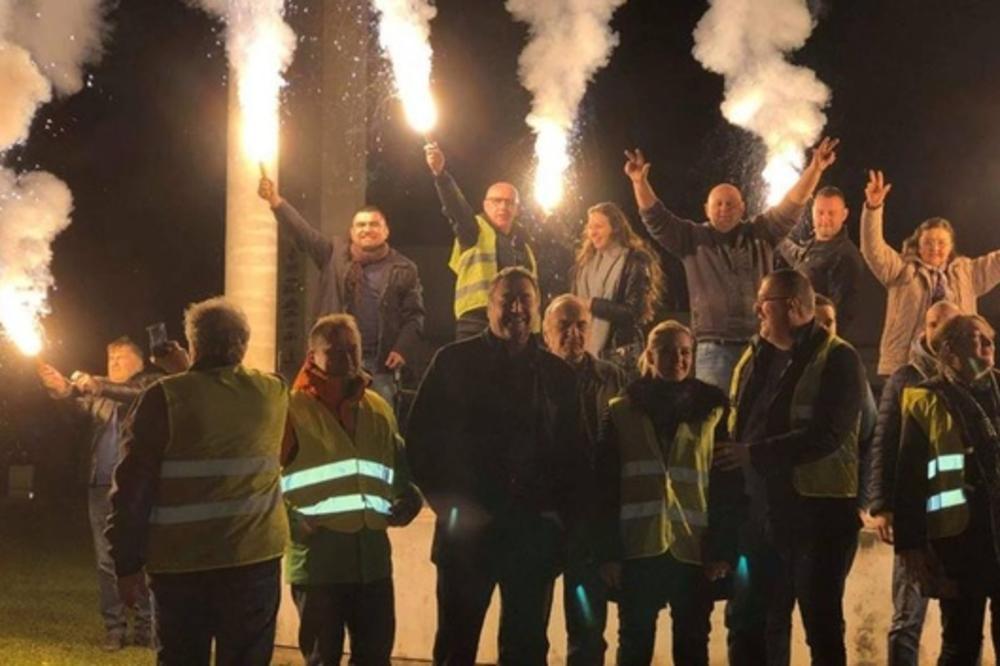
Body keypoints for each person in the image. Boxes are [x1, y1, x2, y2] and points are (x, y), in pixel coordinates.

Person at [406, 267, 585, 665]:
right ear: (489, 307)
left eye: (526, 300)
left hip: (532, 537)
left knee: (525, 649)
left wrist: (558, 521)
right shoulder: (452, 363)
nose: (517, 308)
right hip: (467, 536)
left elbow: (574, 455)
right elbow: (421, 443)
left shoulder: (559, 377)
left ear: (537, 308)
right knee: (456, 646)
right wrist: (452, 507)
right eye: (508, 300)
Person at [107, 297, 290, 666]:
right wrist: (189, 368)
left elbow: (132, 489)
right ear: (244, 343)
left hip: (181, 567)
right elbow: (226, 388)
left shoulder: (162, 398)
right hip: (252, 561)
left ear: (194, 343)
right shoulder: (273, 392)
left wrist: (125, 563)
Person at [720, 269, 865, 666]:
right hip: (759, 513)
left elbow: (828, 434)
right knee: (751, 621)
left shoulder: (839, 358)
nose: (757, 311)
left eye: (765, 303)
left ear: (795, 306)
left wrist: (755, 454)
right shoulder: (753, 357)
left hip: (817, 518)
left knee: (820, 628)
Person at [624, 137, 840, 391]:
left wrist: (815, 169)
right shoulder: (691, 238)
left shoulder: (762, 232)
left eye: (730, 204)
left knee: (757, 418)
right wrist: (639, 182)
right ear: (707, 209)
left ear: (742, 208)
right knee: (715, 418)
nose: (724, 209)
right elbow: (656, 219)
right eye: (718, 204)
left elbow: (792, 205)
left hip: (760, 344)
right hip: (714, 350)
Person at [595, 320, 743, 666]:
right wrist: (608, 553)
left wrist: (722, 548)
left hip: (694, 550)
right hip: (638, 550)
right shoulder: (620, 410)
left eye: (685, 352)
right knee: (634, 644)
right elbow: (604, 488)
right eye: (666, 351)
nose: (677, 359)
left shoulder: (713, 410)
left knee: (692, 645)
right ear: (649, 355)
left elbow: (726, 487)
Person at [281, 314, 422, 666]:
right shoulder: (290, 410)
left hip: (372, 563)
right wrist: (292, 525)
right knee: (322, 660)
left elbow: (398, 470)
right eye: (335, 350)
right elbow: (263, 481)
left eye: (353, 348)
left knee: (375, 659)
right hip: (318, 566)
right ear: (312, 356)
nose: (347, 357)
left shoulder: (378, 408)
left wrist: (410, 498)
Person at [258, 176, 425, 405]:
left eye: (374, 224)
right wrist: (276, 201)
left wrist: (401, 349)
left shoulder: (404, 268)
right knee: (329, 425)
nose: (367, 229)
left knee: (377, 427)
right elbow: (303, 234)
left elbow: (414, 316)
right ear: (352, 231)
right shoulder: (333, 254)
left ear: (386, 231)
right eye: (361, 225)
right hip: (333, 361)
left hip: (380, 366)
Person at [36, 337, 157, 651]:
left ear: (140, 361)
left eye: (121, 356)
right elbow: (74, 417)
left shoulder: (152, 385)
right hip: (101, 486)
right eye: (110, 357)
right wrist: (61, 393)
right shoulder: (97, 396)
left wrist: (98, 385)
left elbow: (138, 395)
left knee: (145, 555)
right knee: (106, 560)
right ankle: (114, 628)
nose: (113, 363)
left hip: (140, 487)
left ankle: (147, 626)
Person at [894, 314, 1000, 665]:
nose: (986, 348)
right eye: (976, 340)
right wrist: (911, 547)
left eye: (989, 341)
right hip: (958, 544)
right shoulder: (926, 400)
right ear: (949, 351)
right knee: (960, 643)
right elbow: (908, 480)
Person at [865, 300, 961, 665]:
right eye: (935, 324)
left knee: (960, 621)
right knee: (907, 618)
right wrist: (881, 505)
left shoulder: (973, 378)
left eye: (949, 326)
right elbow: (884, 441)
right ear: (925, 327)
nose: (941, 333)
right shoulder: (905, 377)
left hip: (957, 520)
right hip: (913, 516)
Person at [542, 294, 626, 666]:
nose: (573, 334)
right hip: (542, 518)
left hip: (590, 521)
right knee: (527, 629)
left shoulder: (612, 378)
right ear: (546, 332)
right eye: (564, 326)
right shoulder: (533, 373)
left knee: (588, 633)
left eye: (581, 326)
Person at [860, 170, 1000, 376]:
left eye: (941, 242)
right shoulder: (900, 269)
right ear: (918, 246)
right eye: (928, 242)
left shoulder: (968, 272)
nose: (935, 248)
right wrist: (873, 208)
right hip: (908, 366)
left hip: (958, 366)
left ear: (951, 246)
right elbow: (873, 249)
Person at [424, 142, 538, 339]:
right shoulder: (472, 229)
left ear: (517, 209)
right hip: (476, 324)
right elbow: (455, 207)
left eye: (509, 202)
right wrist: (441, 175)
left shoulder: (524, 246)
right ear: (485, 205)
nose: (502, 207)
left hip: (517, 327)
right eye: (496, 201)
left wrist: (536, 332)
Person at [571, 202, 664, 377]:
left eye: (598, 226)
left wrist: (593, 304)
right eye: (590, 227)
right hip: (587, 351)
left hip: (620, 352)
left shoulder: (634, 260)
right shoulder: (584, 264)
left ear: (615, 228)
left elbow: (634, 312)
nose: (593, 232)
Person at [778, 187, 865, 335]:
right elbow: (797, 256)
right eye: (820, 212)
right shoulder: (812, 245)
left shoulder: (845, 257)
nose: (825, 219)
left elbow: (842, 315)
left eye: (831, 213)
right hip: (798, 338)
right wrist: (777, 232)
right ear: (812, 213)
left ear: (844, 215)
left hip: (817, 344)